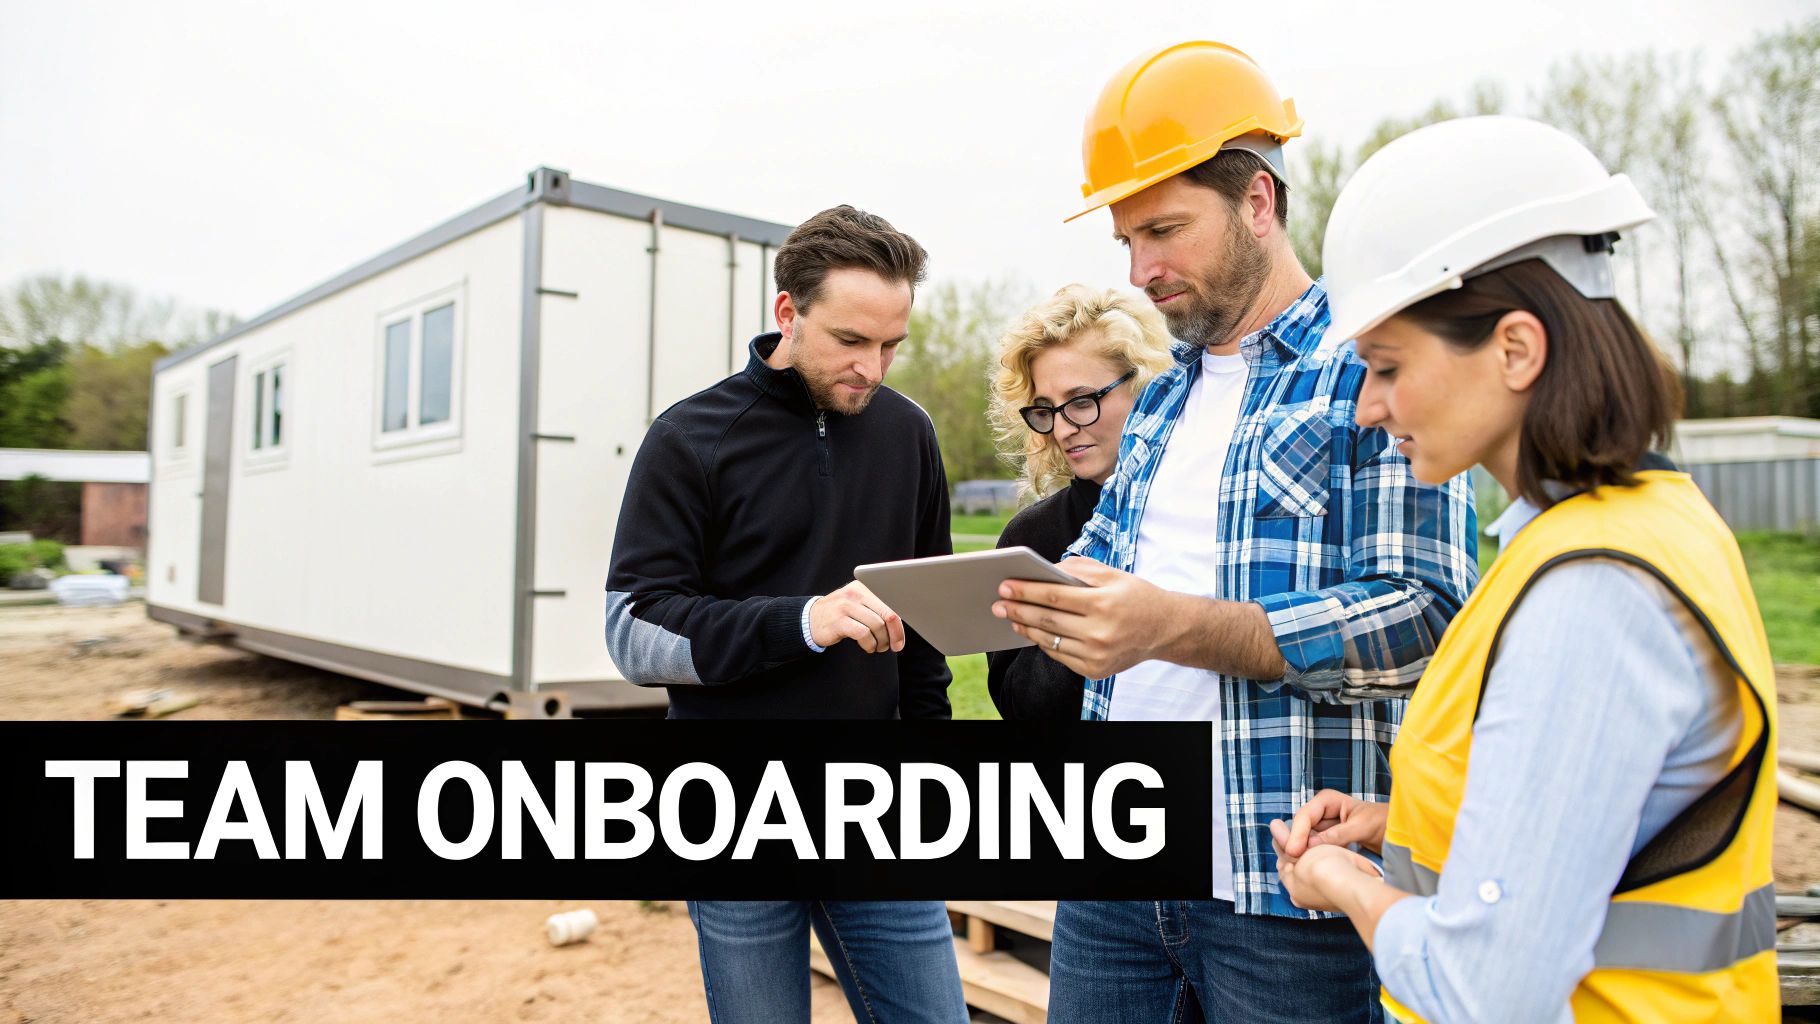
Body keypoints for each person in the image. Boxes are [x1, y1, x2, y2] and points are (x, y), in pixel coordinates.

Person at [991, 41, 1479, 1023]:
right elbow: (1115, 602)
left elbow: (1426, 618)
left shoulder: (1366, 365)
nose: (1142, 267)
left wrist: (1174, 624)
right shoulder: (1161, 398)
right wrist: (1055, 608)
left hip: (1283, 888)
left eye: (1164, 229)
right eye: (1126, 240)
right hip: (1112, 868)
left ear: (1257, 200)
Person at [1270, 116, 1779, 1023]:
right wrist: (1404, 827)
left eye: (1387, 367)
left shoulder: (1592, 590)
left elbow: (1483, 991)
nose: (1368, 409)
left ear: (1515, 347)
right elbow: (1617, 816)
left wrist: (1346, 887)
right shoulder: (1641, 525)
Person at [603, 205, 966, 1023]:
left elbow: (924, 636)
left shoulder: (908, 434)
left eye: (891, 345)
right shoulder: (690, 438)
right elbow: (633, 631)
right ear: (787, 314)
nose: (873, 368)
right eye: (850, 341)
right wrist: (802, 621)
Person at [983, 284, 1173, 719]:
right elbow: (1020, 707)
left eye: (1082, 401)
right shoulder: (1029, 537)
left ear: (1146, 384)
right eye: (1047, 409)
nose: (1064, 428)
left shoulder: (1199, 513)